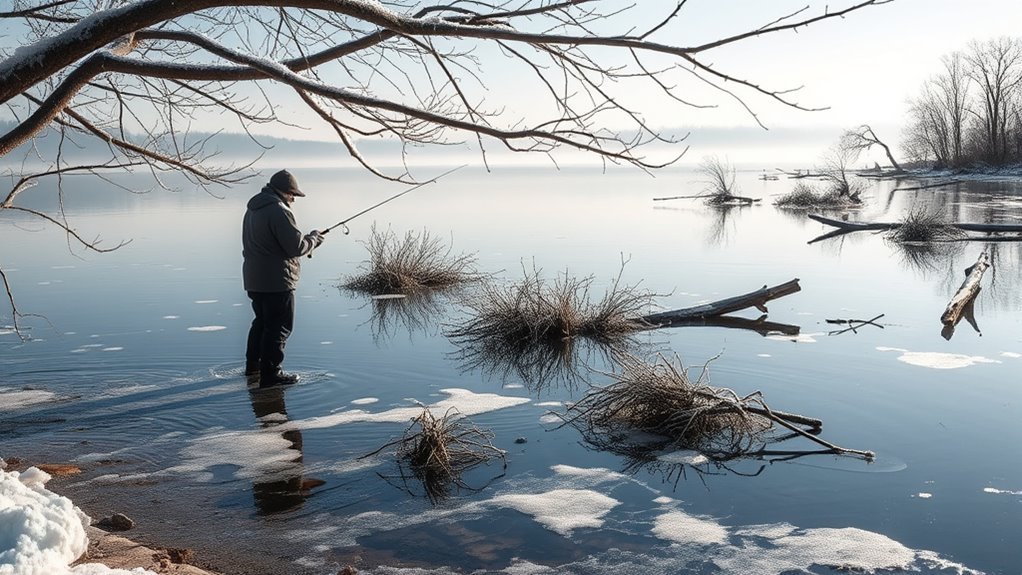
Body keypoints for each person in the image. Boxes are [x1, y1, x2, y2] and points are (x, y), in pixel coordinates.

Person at [242, 169, 324, 387]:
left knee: (261, 323)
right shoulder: (279, 210)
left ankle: (253, 367)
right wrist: (314, 239)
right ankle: (271, 374)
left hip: (254, 279)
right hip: (277, 281)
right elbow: (296, 247)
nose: (294, 199)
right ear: (283, 191)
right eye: (292, 194)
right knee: (279, 327)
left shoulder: (253, 209)